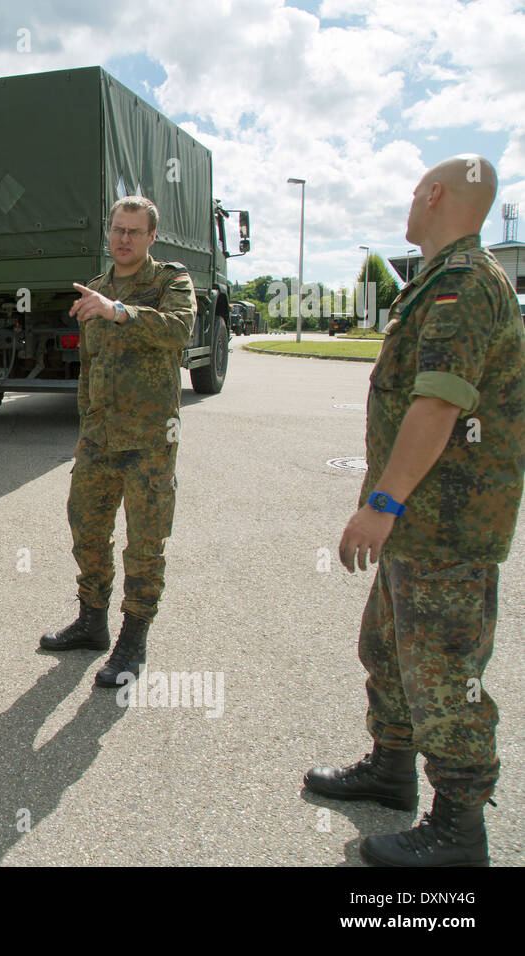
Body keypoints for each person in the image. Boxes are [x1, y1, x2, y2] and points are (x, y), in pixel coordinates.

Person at [305, 154, 524, 866]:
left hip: (445, 522)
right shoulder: (440, 281)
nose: (408, 202)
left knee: (443, 674)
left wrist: (380, 503)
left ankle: (458, 829)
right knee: (390, 650)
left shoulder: (464, 284)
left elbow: (437, 403)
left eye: (412, 191)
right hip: (420, 523)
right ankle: (392, 771)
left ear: (433, 195)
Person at [40, 196, 196, 689]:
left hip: (150, 439)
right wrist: (86, 422)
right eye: (116, 230)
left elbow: (180, 331)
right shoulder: (98, 288)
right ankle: (92, 621)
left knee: (145, 542)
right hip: (99, 437)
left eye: (133, 231)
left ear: (152, 237)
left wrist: (121, 311)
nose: (123, 239)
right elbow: (89, 367)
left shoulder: (171, 281)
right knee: (86, 528)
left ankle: (134, 637)